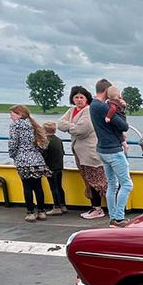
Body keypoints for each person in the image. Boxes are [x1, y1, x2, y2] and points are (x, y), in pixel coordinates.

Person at [58, 86, 107, 220]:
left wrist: (69, 127)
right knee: (87, 180)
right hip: (79, 152)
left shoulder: (88, 111)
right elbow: (59, 124)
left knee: (96, 181)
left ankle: (98, 209)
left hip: (90, 152)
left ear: (87, 99)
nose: (79, 100)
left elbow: (81, 131)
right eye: (76, 97)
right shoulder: (71, 110)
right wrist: (72, 127)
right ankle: (95, 207)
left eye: (81, 97)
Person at [90, 79, 132, 228]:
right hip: (113, 151)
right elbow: (123, 126)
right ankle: (119, 218)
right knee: (127, 184)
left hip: (102, 149)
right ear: (107, 90)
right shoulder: (103, 107)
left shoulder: (93, 105)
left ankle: (113, 217)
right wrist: (123, 108)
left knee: (112, 184)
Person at [7, 105, 51, 222]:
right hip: (37, 160)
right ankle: (41, 211)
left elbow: (13, 143)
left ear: (19, 114)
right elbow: (43, 143)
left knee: (27, 187)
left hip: (23, 160)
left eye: (12, 114)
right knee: (38, 186)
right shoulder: (33, 124)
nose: (11, 116)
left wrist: (13, 155)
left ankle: (30, 212)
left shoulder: (15, 125)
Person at [42, 121, 66, 215]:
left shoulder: (46, 141)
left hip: (50, 167)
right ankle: (63, 205)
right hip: (59, 166)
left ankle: (57, 207)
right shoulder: (58, 140)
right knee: (59, 186)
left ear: (44, 130)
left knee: (53, 187)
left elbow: (44, 154)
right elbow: (62, 152)